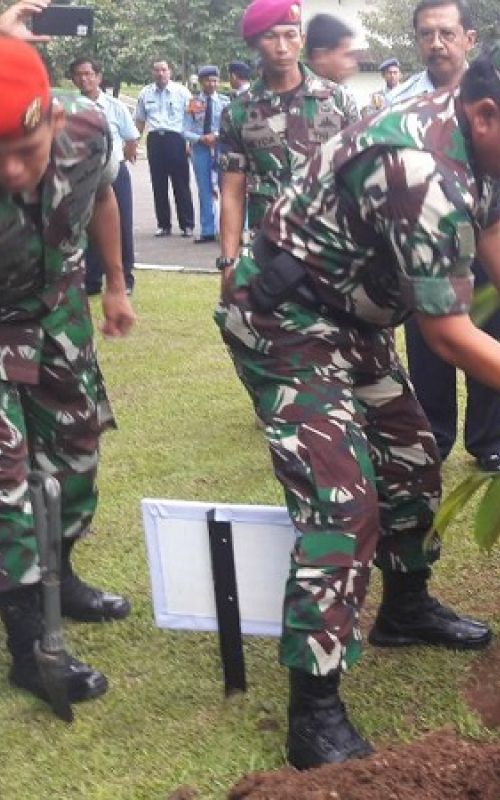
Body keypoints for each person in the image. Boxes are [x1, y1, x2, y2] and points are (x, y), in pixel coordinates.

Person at [214, 20, 500, 769]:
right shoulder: (416, 166)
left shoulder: (474, 134)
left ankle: (404, 605)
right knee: (340, 503)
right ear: (489, 115)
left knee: (411, 456)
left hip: (352, 317)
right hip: (287, 319)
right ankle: (315, 706)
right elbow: (449, 336)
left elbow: (493, 224)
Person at [0, 26, 138, 708]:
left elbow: (102, 198)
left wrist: (115, 282)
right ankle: (29, 642)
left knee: (76, 446)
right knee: (8, 479)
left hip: (56, 309)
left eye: (24, 152)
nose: (12, 173)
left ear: (51, 119)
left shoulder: (87, 131)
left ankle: (65, 572)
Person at [393, 0, 500, 472]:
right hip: (427, 250)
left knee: (489, 340)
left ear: (469, 39)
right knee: (428, 347)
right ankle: (434, 438)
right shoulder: (401, 102)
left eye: (446, 33)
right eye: (426, 34)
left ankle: (489, 444)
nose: (436, 43)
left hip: (484, 241)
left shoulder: (498, 99)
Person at [217, 0, 360, 273]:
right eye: (271, 37)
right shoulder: (238, 112)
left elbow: (359, 178)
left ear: (302, 39)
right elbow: (232, 192)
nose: (282, 48)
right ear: (257, 43)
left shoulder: (338, 101)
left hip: (331, 252)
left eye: (290, 35)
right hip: (267, 252)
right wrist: (228, 261)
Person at [69, 55, 138, 296]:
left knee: (122, 225)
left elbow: (131, 139)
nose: (84, 78)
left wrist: (120, 160)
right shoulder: (70, 108)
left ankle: (125, 278)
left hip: (114, 172)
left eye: (89, 73)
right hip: (83, 176)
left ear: (98, 77)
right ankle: (92, 279)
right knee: (87, 227)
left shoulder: (115, 106)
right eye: (79, 74)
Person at [134, 58, 194, 238]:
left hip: (176, 139)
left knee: (181, 184)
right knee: (158, 185)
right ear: (152, 72)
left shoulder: (182, 92)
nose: (160, 73)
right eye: (157, 70)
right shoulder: (145, 93)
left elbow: (192, 118)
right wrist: (134, 143)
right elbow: (140, 120)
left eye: (164, 70)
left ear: (170, 72)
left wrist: (189, 142)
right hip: (155, 140)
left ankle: (187, 224)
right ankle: (163, 224)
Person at [182, 65, 228, 244]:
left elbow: (229, 127)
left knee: (226, 188)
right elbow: (184, 130)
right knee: (204, 189)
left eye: (215, 80)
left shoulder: (225, 101)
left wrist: (215, 136)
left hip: (221, 149)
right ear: (201, 82)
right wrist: (201, 138)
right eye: (208, 80)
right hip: (200, 150)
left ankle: (229, 228)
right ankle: (207, 230)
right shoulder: (194, 103)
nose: (212, 83)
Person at [305, 12, 358, 85]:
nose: (352, 64)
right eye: (346, 55)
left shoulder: (338, 94)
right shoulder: (301, 95)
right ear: (320, 56)